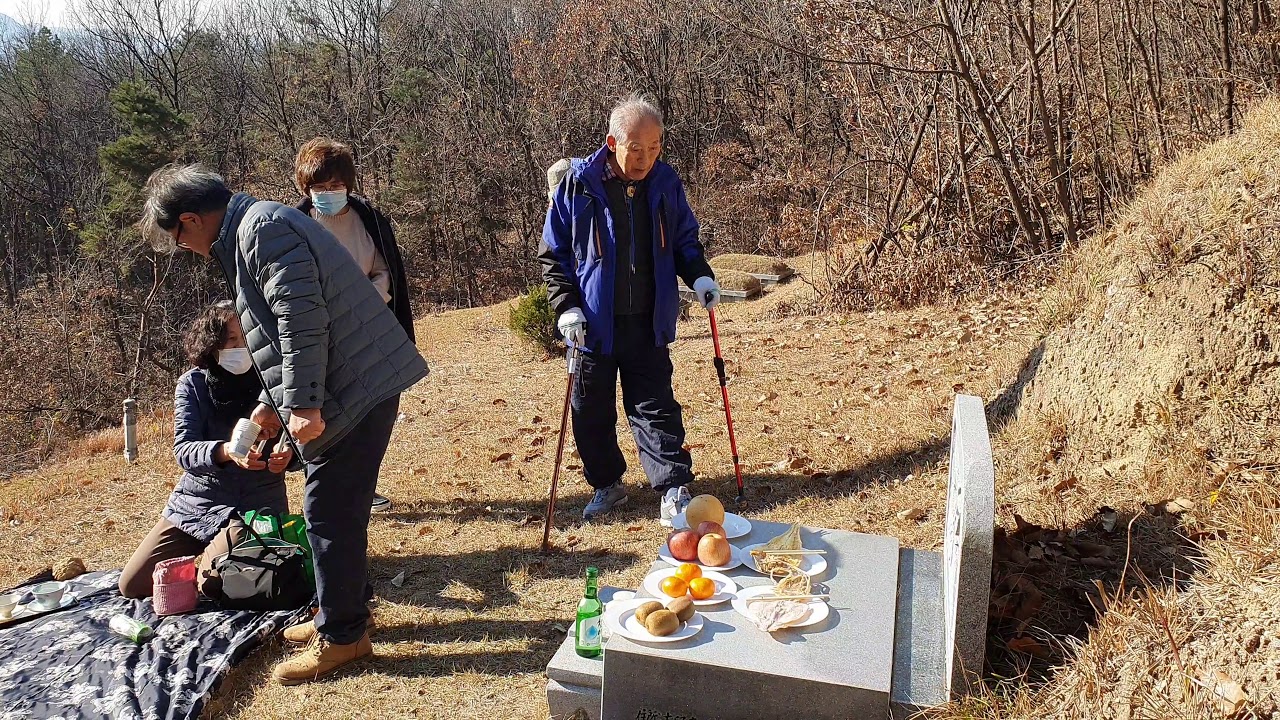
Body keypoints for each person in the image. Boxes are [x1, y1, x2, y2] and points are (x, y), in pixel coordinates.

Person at [140, 164, 429, 685]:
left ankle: (344, 639)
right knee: (334, 510)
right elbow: (277, 331)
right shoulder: (253, 228)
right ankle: (336, 616)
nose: (182, 248)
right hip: (350, 383)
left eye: (177, 237)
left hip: (353, 388)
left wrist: (303, 404)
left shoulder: (261, 230)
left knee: (328, 513)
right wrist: (272, 404)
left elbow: (302, 320)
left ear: (190, 219)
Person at [539, 95, 721, 526]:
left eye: (655, 147)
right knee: (591, 409)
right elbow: (554, 255)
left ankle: (673, 486)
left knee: (655, 404)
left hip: (647, 318)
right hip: (592, 323)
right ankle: (607, 485)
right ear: (612, 142)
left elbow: (684, 239)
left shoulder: (665, 182)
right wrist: (565, 306)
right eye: (637, 148)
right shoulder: (577, 184)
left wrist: (699, 275)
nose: (646, 157)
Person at [119, 301, 292, 599]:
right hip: (198, 502)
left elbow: (300, 436)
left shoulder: (274, 380)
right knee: (132, 585)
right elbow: (184, 450)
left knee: (211, 585)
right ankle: (211, 558)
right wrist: (225, 451)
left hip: (257, 505)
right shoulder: (192, 385)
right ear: (211, 345)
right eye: (231, 340)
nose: (242, 346)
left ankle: (217, 562)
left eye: (247, 337)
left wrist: (289, 457)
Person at [292, 137, 415, 513]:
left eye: (336, 186)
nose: (329, 193)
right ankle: (330, 493)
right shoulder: (295, 225)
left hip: (373, 329)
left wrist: (366, 298)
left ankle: (364, 488)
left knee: (373, 418)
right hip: (323, 338)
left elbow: (385, 271)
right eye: (319, 187)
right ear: (305, 188)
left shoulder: (369, 219)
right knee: (331, 421)